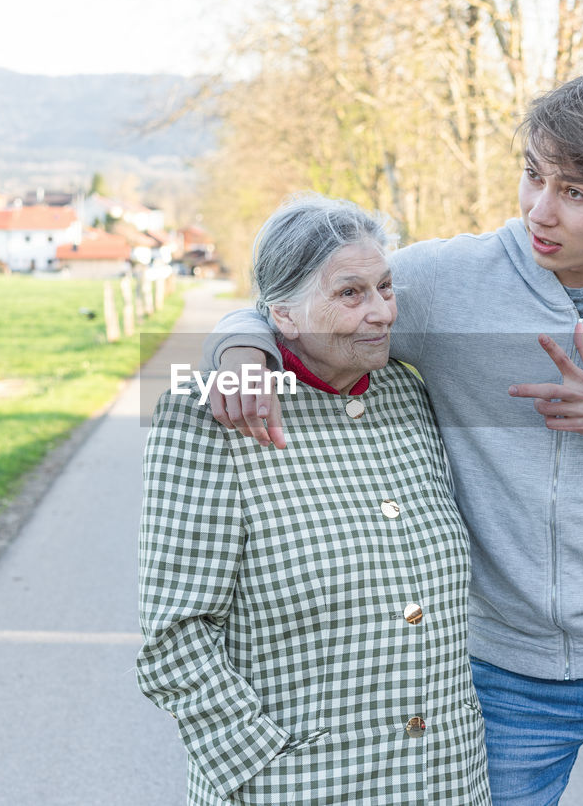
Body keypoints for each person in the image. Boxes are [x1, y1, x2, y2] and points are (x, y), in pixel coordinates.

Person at [204, 70, 583, 805]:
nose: (540, 209)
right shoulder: (450, 283)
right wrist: (241, 349)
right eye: (534, 175)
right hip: (504, 677)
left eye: (575, 192)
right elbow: (301, 297)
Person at [137, 194, 492, 805]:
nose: (382, 312)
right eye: (350, 294)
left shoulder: (409, 396)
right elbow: (173, 637)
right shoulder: (207, 418)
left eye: (385, 287)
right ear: (284, 315)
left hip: (446, 780)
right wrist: (259, 761)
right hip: (295, 784)